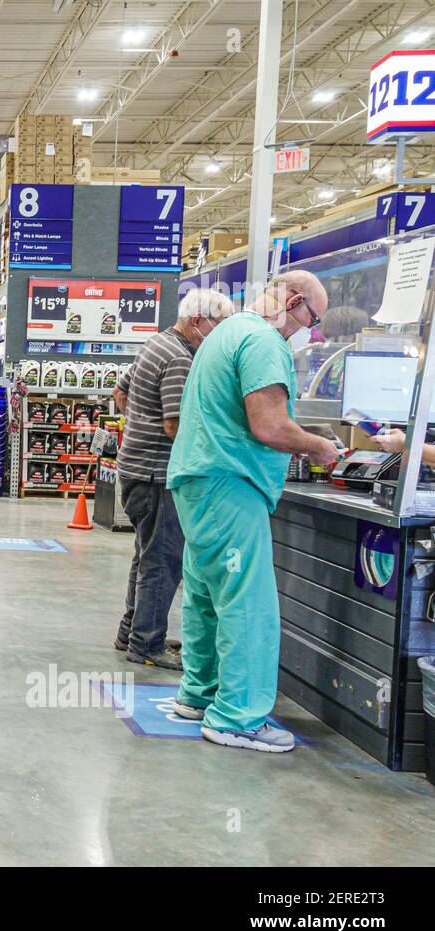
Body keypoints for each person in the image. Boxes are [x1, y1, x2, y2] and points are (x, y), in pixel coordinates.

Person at [166, 271, 339, 753]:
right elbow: (269, 426)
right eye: (312, 319)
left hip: (199, 478)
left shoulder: (228, 331)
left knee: (205, 591)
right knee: (248, 601)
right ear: (296, 300)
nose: (308, 329)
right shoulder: (264, 340)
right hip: (230, 481)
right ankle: (238, 716)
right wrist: (318, 447)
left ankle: (199, 695)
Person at [113, 288, 235, 670]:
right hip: (156, 474)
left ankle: (132, 631)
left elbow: (121, 391)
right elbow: (174, 426)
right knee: (163, 560)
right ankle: (147, 644)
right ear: (199, 321)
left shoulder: (156, 343)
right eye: (219, 326)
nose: (220, 336)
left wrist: (137, 424)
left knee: (147, 554)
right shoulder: (181, 359)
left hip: (135, 468)